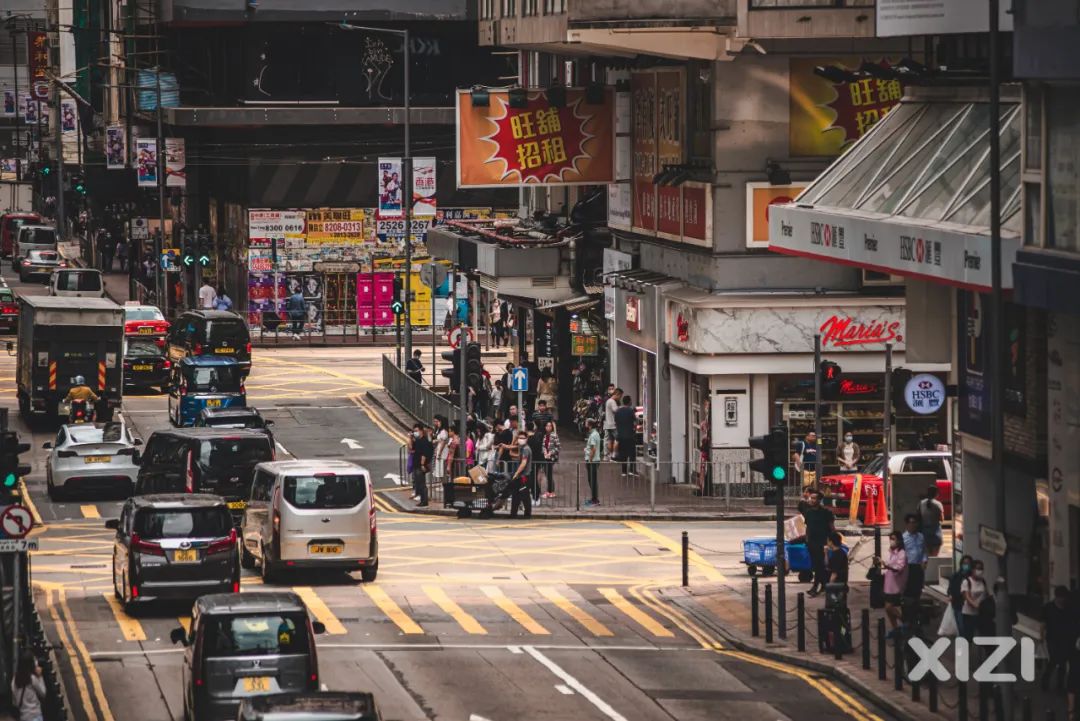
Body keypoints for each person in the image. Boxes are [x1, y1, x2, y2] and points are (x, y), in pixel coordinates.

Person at [801, 490, 835, 596]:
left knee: (820, 565)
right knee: (816, 566)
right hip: (812, 543)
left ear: (819, 500)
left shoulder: (826, 512)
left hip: (823, 543)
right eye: (811, 498)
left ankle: (815, 587)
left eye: (814, 498)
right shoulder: (809, 512)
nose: (811, 500)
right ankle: (824, 586)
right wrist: (807, 541)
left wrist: (832, 541)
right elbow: (808, 528)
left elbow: (832, 528)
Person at [1043, 586, 1075, 692]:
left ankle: (1060, 686)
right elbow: (1043, 623)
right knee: (1054, 660)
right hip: (1052, 638)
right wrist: (1041, 637)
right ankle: (1045, 681)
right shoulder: (1048, 607)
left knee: (1062, 663)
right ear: (1056, 597)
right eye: (1061, 597)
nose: (1062, 600)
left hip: (1065, 639)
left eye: (1064, 597)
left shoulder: (1069, 607)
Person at [878, 531, 909, 633]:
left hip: (896, 586)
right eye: (890, 539)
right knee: (887, 609)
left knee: (889, 607)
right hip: (889, 585)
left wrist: (887, 565)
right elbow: (890, 564)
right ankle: (895, 628)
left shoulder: (902, 553)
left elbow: (898, 567)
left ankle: (905, 622)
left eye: (893, 539)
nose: (891, 541)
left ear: (899, 540)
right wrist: (883, 563)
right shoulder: (892, 552)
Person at [11, 652, 46, 721]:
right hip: (35, 716)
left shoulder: (14, 680)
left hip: (23, 717)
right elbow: (43, 693)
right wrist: (40, 677)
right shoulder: (32, 679)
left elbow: (15, 703)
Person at [902, 513, 928, 603]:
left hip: (919, 566)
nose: (913, 525)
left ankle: (916, 605)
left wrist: (924, 560)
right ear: (907, 524)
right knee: (909, 589)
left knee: (918, 588)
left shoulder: (921, 536)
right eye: (911, 522)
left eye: (915, 523)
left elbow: (924, 551)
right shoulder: (903, 538)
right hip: (908, 566)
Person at [960, 559, 988, 641]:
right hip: (968, 614)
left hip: (980, 614)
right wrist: (976, 606)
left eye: (981, 569)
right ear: (973, 570)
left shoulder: (983, 581)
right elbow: (967, 597)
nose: (980, 571)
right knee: (968, 636)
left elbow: (986, 594)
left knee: (981, 636)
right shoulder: (967, 581)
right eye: (978, 568)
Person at [509, 431, 533, 519]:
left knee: (524, 495)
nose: (521, 440)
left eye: (523, 438)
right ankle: (513, 514)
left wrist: (516, 473)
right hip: (520, 476)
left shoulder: (526, 449)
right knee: (515, 494)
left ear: (526, 439)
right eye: (519, 438)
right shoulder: (521, 448)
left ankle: (527, 514)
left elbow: (523, 463)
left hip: (524, 476)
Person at [613, 394, 637, 476]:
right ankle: (631, 470)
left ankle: (624, 471)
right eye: (631, 400)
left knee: (623, 453)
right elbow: (635, 422)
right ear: (629, 401)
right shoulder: (630, 411)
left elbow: (616, 423)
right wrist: (634, 429)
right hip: (630, 435)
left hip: (621, 435)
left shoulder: (618, 411)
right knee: (632, 453)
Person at [918, 486, 945, 557]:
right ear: (936, 494)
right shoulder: (938, 504)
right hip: (935, 532)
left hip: (924, 532)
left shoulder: (921, 503)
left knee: (927, 556)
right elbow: (942, 519)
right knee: (935, 556)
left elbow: (919, 516)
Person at [410, 424, 432, 507]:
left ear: (421, 431)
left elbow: (424, 454)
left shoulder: (424, 441)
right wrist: (410, 438)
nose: (415, 432)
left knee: (422, 484)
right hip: (416, 464)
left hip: (420, 465)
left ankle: (424, 501)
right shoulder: (417, 440)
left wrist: (422, 464)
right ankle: (422, 500)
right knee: (418, 483)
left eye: (416, 431)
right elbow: (411, 448)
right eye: (414, 431)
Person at [583, 418, 601, 507]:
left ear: (589, 425)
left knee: (592, 481)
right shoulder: (595, 434)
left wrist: (589, 459)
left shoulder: (593, 435)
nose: (585, 425)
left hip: (592, 461)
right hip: (594, 460)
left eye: (586, 423)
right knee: (591, 480)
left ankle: (595, 500)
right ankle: (594, 498)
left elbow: (593, 449)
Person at [540, 420, 560, 499]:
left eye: (550, 426)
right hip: (546, 457)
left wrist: (550, 453)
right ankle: (550, 491)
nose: (548, 427)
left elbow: (558, 447)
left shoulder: (554, 435)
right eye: (547, 426)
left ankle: (551, 492)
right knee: (547, 474)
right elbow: (543, 445)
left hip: (551, 458)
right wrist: (544, 451)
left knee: (549, 474)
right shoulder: (545, 435)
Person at [526, 422, 544, 503]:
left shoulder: (531, 438)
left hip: (533, 461)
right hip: (534, 461)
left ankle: (536, 497)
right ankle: (534, 496)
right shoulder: (536, 436)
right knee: (531, 479)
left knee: (533, 479)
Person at [603, 387, 622, 460]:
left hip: (608, 424)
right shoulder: (612, 401)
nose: (620, 398)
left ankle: (607, 456)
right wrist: (622, 408)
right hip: (613, 424)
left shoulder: (608, 401)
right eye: (620, 396)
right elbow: (615, 410)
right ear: (617, 394)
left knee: (609, 440)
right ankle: (614, 455)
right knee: (618, 439)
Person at [432, 416, 449, 492]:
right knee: (440, 471)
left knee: (442, 471)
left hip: (442, 454)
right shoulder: (441, 431)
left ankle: (445, 487)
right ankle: (443, 486)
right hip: (440, 452)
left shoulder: (444, 432)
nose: (437, 423)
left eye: (438, 422)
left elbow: (443, 443)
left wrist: (439, 454)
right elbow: (440, 441)